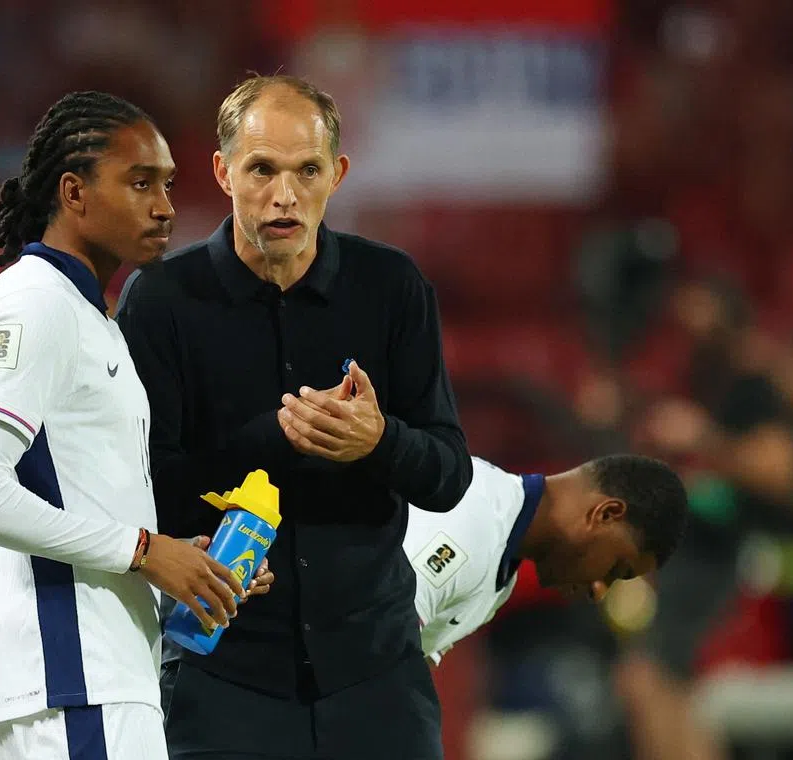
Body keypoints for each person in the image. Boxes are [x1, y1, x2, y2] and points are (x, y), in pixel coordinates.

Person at [116, 74, 473, 760]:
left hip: (376, 677)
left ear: (336, 174)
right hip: (224, 674)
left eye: (306, 170)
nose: (284, 195)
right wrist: (269, 442)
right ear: (223, 172)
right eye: (262, 170)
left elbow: (450, 474)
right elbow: (141, 493)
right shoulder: (161, 303)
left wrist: (380, 440)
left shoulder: (392, 288)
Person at [0, 91, 271, 760]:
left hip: (86, 682)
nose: (165, 207)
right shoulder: (36, 303)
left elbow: (78, 505)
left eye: (169, 185)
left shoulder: (91, 318)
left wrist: (182, 565)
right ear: (74, 192)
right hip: (72, 685)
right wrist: (147, 551)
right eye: (140, 182)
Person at [405, 454, 689, 666]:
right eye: (615, 570)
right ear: (605, 513)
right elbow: (374, 634)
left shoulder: (500, 583)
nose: (599, 592)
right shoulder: (472, 511)